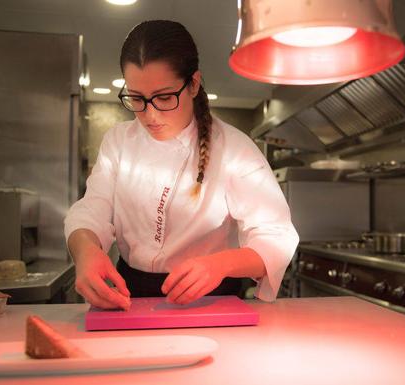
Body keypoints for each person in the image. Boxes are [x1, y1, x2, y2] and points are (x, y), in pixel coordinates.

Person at [64, 20, 299, 310]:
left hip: (212, 299)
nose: (149, 115)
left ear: (193, 84)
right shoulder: (118, 142)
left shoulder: (234, 149)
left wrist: (222, 264)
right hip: (130, 296)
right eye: (137, 98)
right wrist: (86, 250)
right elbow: (92, 210)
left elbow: (276, 235)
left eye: (164, 97)